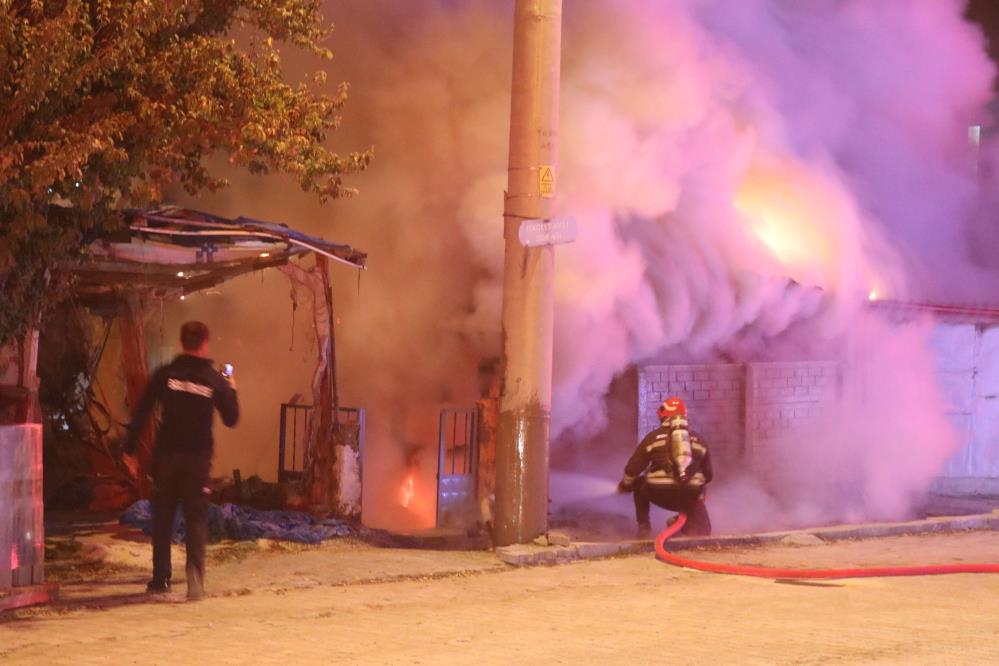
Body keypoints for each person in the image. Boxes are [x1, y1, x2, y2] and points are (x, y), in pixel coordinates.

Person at [125, 321, 239, 600]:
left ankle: (160, 579)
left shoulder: (165, 374)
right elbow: (231, 418)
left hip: (166, 457)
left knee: (163, 518)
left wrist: (129, 450)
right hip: (197, 460)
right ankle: (194, 577)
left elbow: (142, 410)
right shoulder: (213, 380)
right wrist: (232, 389)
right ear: (205, 344)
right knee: (196, 518)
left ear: (181, 343)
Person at [618, 397, 712, 539]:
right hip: (689, 496)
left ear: (663, 414)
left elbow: (633, 469)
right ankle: (681, 526)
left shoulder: (653, 438)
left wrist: (625, 485)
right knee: (703, 533)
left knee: (638, 483)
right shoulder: (699, 440)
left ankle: (644, 527)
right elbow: (709, 475)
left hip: (660, 494)